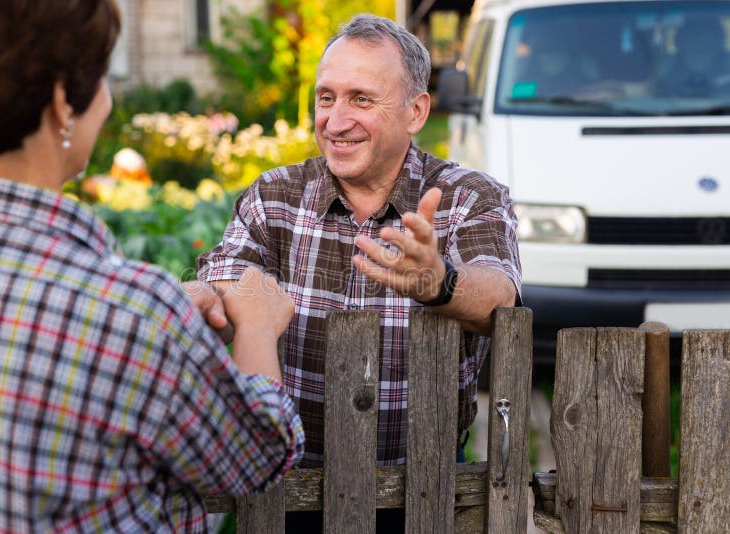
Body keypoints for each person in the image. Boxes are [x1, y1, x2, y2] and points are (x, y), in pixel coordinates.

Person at [0, 1, 303, 532]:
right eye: (101, 75)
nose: (104, 99)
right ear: (63, 101)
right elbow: (258, 455)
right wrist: (260, 328)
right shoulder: (129, 313)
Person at [195, 13, 521, 532]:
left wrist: (440, 281)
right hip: (288, 485)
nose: (336, 120)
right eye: (327, 98)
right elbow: (225, 276)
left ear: (416, 112)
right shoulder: (273, 196)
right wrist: (210, 288)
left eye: (361, 100)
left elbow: (501, 298)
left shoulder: (468, 197)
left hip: (424, 485)